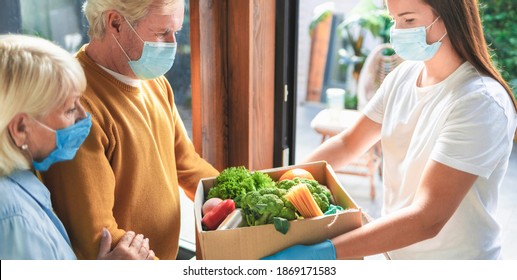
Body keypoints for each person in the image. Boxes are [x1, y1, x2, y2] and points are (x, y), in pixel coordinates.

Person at [264, 0, 517, 260]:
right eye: (394, 20)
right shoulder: (404, 76)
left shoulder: (480, 102)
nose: (398, 31)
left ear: (449, 18)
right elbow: (348, 143)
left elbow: (427, 218)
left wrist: (327, 252)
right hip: (398, 258)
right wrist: (281, 183)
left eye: (408, 20)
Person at [40, 0, 219, 260]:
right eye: (161, 33)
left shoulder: (154, 82)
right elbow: (98, 237)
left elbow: (187, 164)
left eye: (175, 32)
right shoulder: (74, 107)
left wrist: (237, 196)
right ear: (115, 23)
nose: (172, 44)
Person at [0, 34, 154, 260]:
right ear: (21, 128)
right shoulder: (16, 220)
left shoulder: (22, 180)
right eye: (70, 109)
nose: (84, 117)